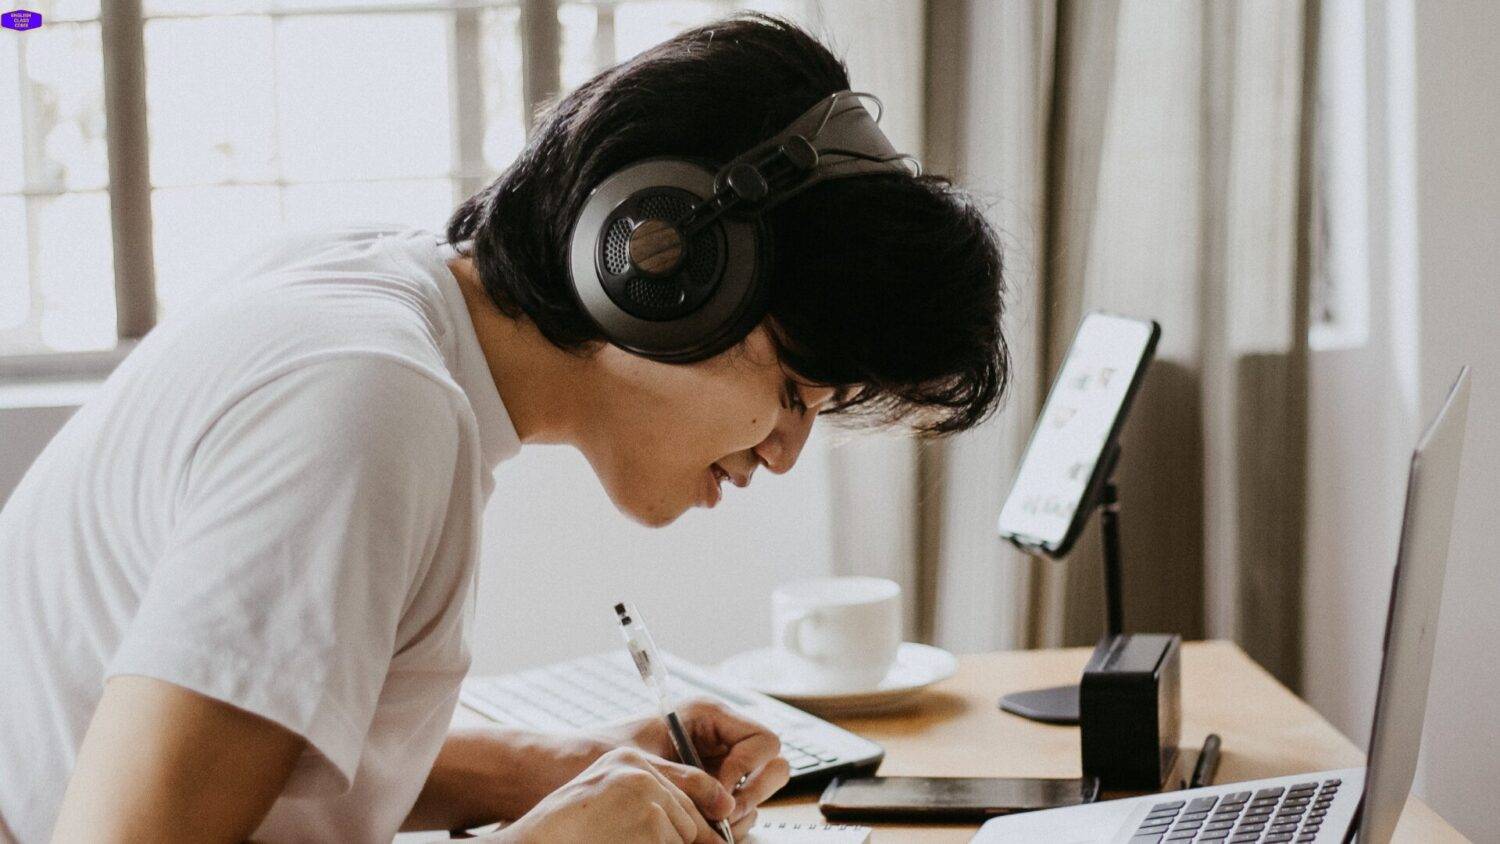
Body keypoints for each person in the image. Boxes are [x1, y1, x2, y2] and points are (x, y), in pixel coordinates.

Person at [0, 13, 1008, 844]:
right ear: (655, 269)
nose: (784, 454)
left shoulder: (378, 309)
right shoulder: (366, 407)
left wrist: (543, 769)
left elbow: (258, 763)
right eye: (793, 390)